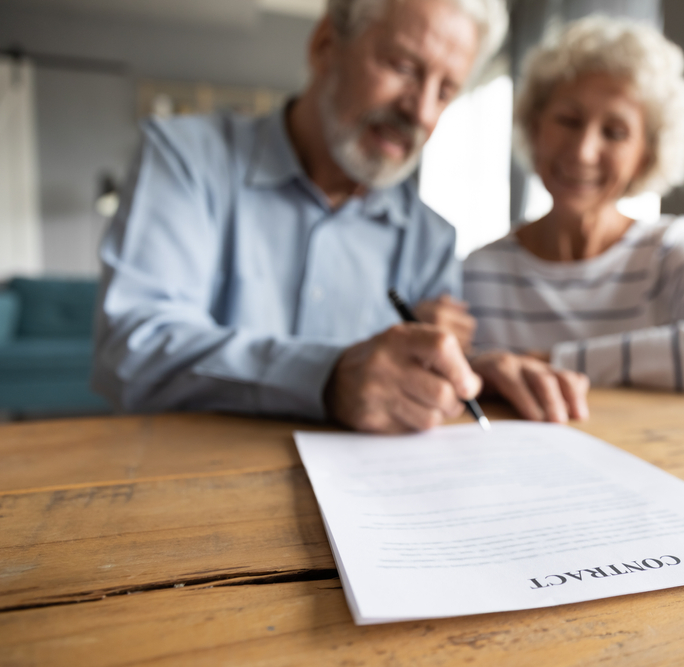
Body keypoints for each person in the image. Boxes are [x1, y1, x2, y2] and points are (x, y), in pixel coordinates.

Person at [92, 0, 588, 433]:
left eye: (445, 91)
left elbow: (417, 383)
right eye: (403, 66)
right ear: (326, 44)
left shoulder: (431, 237)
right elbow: (133, 352)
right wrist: (327, 377)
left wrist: (474, 372)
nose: (420, 111)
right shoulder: (185, 159)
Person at [464, 16, 684, 396]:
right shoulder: (475, 273)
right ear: (534, 127)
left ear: (645, 156)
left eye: (615, 132)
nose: (583, 151)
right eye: (568, 120)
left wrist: (552, 363)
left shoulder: (669, 249)